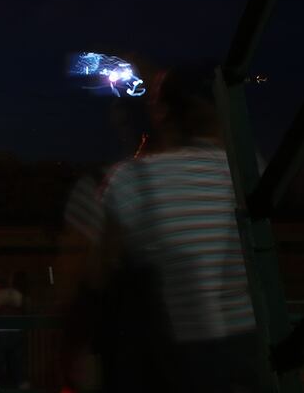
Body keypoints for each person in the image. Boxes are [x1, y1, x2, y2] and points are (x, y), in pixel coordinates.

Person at [94, 63, 260, 393]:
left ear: (161, 113)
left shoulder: (130, 180)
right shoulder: (248, 169)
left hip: (171, 357)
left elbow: (98, 273)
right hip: (248, 349)